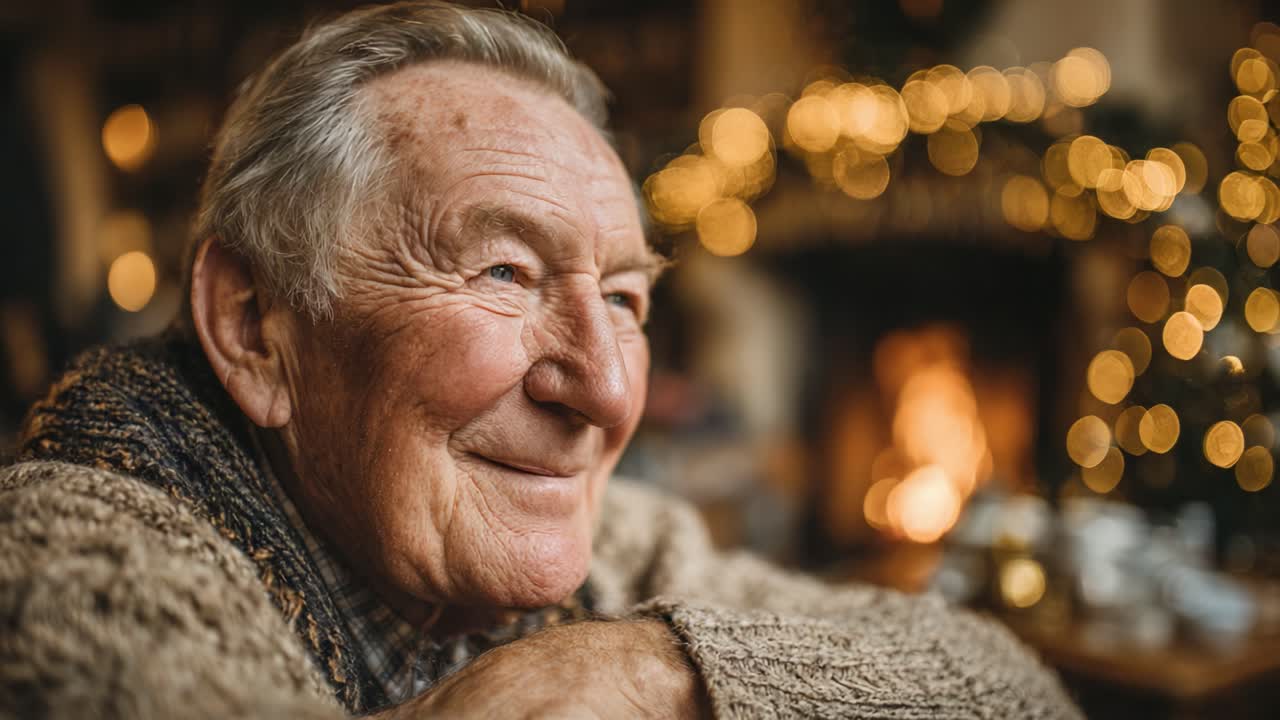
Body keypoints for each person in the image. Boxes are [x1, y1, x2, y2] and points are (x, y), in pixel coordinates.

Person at [0, 2, 1082, 717]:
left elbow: (1017, 687)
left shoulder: (621, 546)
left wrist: (659, 668)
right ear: (252, 326)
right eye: (504, 275)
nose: (609, 392)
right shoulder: (70, 557)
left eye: (622, 297)